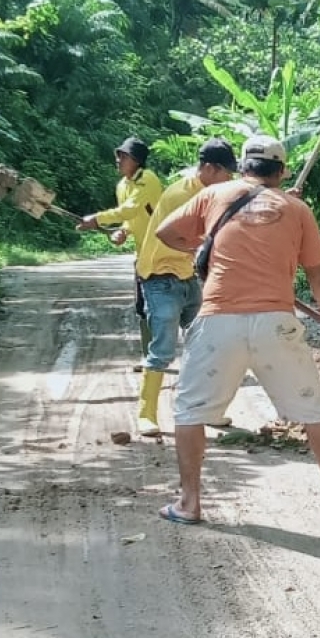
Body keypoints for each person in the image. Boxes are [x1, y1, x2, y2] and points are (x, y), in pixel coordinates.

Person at [152, 133, 320, 524]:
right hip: (276, 323)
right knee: (315, 413)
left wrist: (205, 244)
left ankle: (189, 504)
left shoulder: (214, 195)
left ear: (242, 167)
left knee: (188, 411)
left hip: (217, 321)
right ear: (282, 170)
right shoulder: (296, 208)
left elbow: (166, 232)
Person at [130, 137, 238, 437]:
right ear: (208, 168)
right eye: (226, 172)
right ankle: (146, 414)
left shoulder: (211, 190)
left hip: (188, 276)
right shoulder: (182, 195)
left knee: (206, 344)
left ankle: (208, 410)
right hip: (161, 277)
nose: (230, 178)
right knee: (163, 348)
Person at [77, 137, 164, 367]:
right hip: (142, 255)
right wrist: (123, 232)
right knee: (142, 306)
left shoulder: (148, 180)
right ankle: (149, 357)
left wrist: (97, 219)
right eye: (118, 156)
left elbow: (130, 209)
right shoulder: (122, 186)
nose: (118, 160)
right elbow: (132, 218)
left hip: (163, 253)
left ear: (136, 160)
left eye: (123, 156)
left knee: (168, 307)